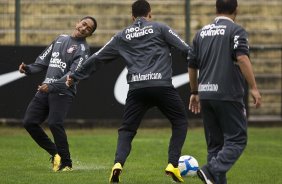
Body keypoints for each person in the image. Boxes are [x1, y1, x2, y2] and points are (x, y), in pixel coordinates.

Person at [66, 0, 192, 182]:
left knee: (127, 130)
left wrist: (76, 75)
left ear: (132, 17)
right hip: (162, 86)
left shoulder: (122, 35)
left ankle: (118, 163)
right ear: (150, 14)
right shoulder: (160, 28)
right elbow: (186, 50)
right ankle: (173, 164)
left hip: (137, 89)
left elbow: (97, 58)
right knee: (179, 121)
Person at [188, 0, 262, 183]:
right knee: (237, 140)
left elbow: (191, 65)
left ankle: (211, 175)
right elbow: (243, 58)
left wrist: (194, 92)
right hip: (228, 94)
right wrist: (253, 87)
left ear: (216, 9)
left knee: (215, 146)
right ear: (236, 9)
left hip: (206, 94)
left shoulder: (200, 33)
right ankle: (211, 170)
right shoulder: (236, 31)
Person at [19, 16, 97, 172]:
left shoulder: (83, 50)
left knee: (55, 123)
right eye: (83, 24)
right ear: (77, 23)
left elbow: (72, 75)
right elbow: (43, 60)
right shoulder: (60, 39)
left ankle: (67, 163)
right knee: (29, 122)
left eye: (88, 28)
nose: (83, 28)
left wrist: (52, 86)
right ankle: (55, 153)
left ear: (89, 34)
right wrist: (28, 69)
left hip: (63, 91)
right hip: (45, 88)